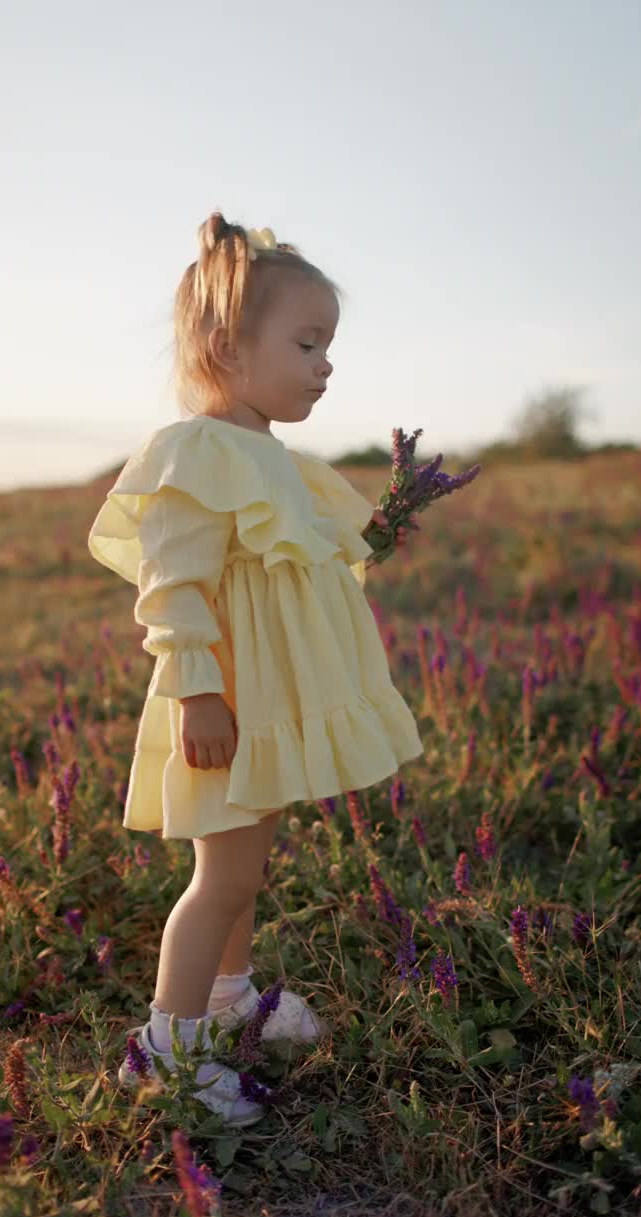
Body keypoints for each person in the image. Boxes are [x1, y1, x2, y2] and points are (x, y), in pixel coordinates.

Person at [87, 212, 424, 1126]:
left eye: (329, 346)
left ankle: (229, 995)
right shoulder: (198, 453)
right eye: (308, 343)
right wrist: (198, 691)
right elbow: (172, 585)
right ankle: (168, 1049)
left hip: (263, 705)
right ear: (226, 346)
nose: (325, 364)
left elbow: (317, 558)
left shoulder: (276, 459)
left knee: (245, 868)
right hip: (224, 702)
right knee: (222, 880)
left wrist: (389, 518)